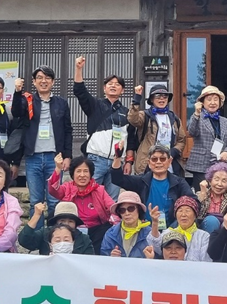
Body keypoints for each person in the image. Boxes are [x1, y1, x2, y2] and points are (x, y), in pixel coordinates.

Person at [11, 66, 73, 217]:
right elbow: (16, 112)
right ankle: (36, 231)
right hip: (33, 157)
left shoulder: (61, 103)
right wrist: (17, 92)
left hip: (55, 158)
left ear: (53, 82)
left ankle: (54, 231)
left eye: (47, 78)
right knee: (35, 201)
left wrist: (67, 156)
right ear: (34, 81)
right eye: (39, 78)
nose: (43, 81)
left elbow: (67, 130)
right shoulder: (28, 100)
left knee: (54, 200)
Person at [73, 55, 130, 198]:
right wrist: (78, 69)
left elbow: (132, 139)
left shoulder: (127, 112)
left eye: (117, 84)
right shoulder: (95, 105)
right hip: (96, 159)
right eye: (110, 83)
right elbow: (80, 92)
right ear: (104, 88)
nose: (113, 86)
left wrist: (128, 161)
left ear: (122, 90)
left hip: (117, 161)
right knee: (88, 195)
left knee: (112, 200)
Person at [111, 144, 195, 227]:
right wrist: (117, 157)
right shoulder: (141, 181)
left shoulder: (179, 183)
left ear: (169, 161)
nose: (158, 162)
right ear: (149, 163)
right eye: (154, 159)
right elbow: (117, 179)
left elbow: (193, 201)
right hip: (145, 229)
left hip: (171, 229)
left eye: (162, 159)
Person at [47, 154, 116, 255]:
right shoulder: (67, 188)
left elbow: (113, 207)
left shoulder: (100, 190)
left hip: (96, 232)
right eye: (78, 171)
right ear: (73, 174)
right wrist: (58, 168)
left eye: (86, 171)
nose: (82, 175)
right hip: (72, 230)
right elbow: (53, 190)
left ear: (91, 174)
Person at [128, 84, 186, 175]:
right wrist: (137, 99)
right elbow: (133, 119)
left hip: (169, 162)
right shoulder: (145, 115)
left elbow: (181, 140)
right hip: (147, 163)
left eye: (165, 96)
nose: (162, 99)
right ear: (151, 99)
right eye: (158, 96)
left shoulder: (174, 118)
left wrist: (174, 151)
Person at [186, 85, 227, 189]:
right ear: (202, 102)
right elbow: (192, 132)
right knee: (202, 193)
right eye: (209, 99)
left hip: (220, 164)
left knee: (218, 192)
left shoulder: (225, 121)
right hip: (201, 165)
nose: (212, 102)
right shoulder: (198, 117)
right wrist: (196, 113)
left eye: (215, 99)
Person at [145, 196, 210, 261]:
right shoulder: (168, 233)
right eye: (180, 211)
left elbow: (206, 262)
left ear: (195, 215)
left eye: (187, 211)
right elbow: (155, 246)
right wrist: (155, 222)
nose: (183, 214)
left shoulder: (203, 236)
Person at [19, 201, 96, 255]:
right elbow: (24, 241)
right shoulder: (45, 233)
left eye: (70, 221)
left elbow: (88, 261)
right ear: (56, 222)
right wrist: (36, 215)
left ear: (76, 224)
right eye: (62, 221)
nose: (66, 224)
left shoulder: (83, 239)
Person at [101, 191, 152, 258]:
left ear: (139, 210)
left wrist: (150, 259)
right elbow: (103, 259)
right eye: (122, 210)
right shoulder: (110, 234)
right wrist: (111, 257)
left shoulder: (150, 233)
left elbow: (159, 258)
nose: (127, 213)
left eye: (131, 208)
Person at [196, 161, 227, 232]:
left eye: (224, 181)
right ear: (210, 181)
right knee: (212, 221)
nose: (219, 184)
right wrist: (203, 195)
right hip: (204, 230)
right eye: (216, 179)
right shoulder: (200, 194)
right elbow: (197, 216)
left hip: (224, 230)